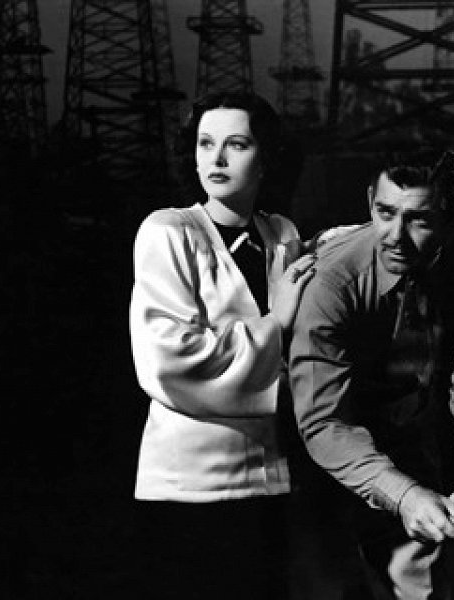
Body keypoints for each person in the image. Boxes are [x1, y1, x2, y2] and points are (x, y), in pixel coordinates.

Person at [289, 149, 454, 599]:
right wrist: (404, 494)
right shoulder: (331, 280)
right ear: (369, 202)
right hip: (330, 456)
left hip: (429, 435)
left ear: (452, 220)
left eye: (419, 220)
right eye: (385, 213)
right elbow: (324, 422)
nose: (395, 237)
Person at [128, 91, 313, 600]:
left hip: (270, 478)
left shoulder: (281, 236)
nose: (218, 158)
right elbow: (169, 358)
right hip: (189, 485)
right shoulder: (169, 231)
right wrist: (276, 323)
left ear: (266, 158)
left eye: (237, 144)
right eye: (206, 143)